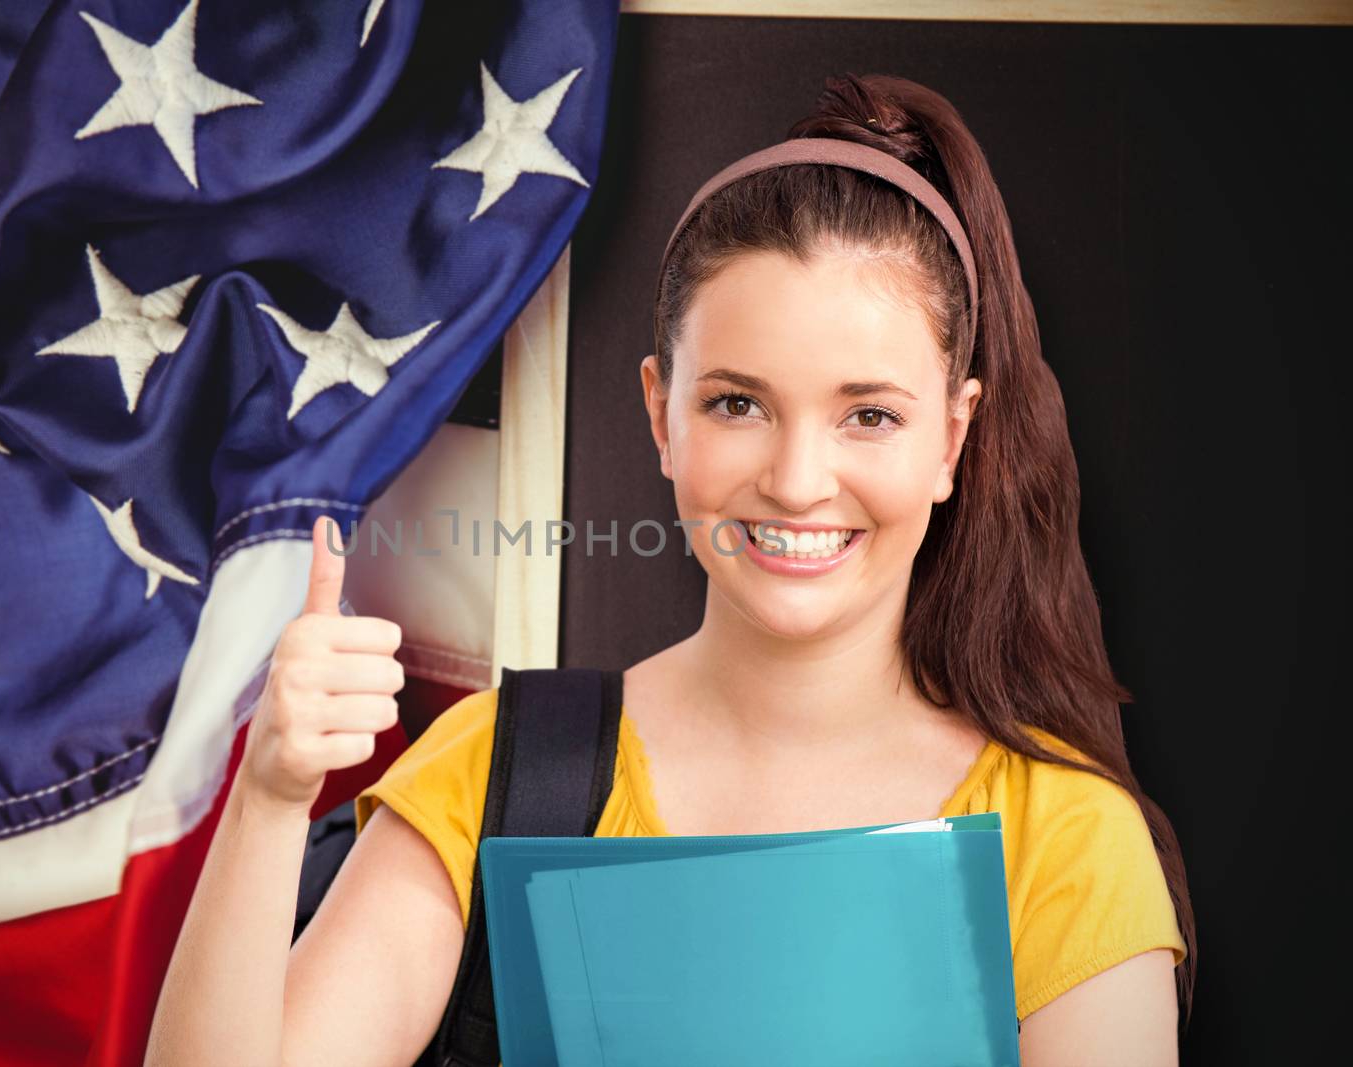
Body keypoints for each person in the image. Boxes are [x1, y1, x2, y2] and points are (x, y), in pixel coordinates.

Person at [145, 73, 1194, 1067]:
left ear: (952, 440)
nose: (794, 480)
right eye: (737, 404)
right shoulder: (498, 773)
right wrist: (270, 798)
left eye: (867, 415)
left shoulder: (1062, 836)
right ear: (660, 412)